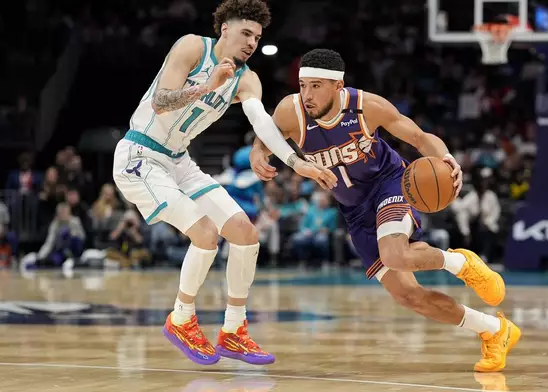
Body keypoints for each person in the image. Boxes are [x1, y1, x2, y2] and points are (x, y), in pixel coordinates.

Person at [249, 49, 521, 373]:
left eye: (316, 86)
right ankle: (495, 330)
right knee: (408, 296)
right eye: (303, 85)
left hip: (388, 184)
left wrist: (447, 158)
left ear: (338, 86)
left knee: (395, 255)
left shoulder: (366, 107)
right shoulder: (290, 111)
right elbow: (266, 138)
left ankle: (461, 263)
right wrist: (257, 153)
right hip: (352, 208)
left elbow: (418, 137)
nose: (307, 94)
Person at [112, 1, 337, 367]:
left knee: (245, 233)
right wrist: (206, 86)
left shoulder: (247, 78)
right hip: (140, 156)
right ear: (225, 30)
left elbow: (262, 122)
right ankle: (181, 319)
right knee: (205, 233)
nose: (251, 42)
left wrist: (297, 163)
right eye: (246, 33)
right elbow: (160, 103)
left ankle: (234, 330)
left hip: (179, 161)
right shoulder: (192, 47)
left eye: (258, 37)